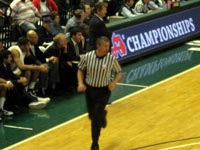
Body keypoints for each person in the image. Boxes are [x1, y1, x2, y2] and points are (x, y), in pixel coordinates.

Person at [77, 36, 122, 150]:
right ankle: (103, 114)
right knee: (92, 116)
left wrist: (114, 83)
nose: (108, 48)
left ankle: (95, 143)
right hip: (90, 90)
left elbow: (118, 72)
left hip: (104, 91)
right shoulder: (88, 56)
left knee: (95, 119)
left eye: (108, 46)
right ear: (98, 46)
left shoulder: (111, 58)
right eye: (105, 46)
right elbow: (80, 69)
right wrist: (80, 83)